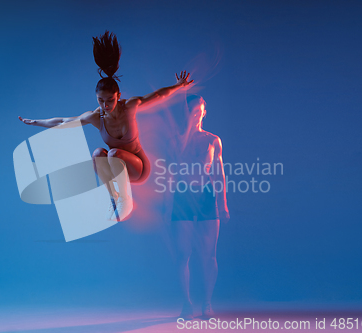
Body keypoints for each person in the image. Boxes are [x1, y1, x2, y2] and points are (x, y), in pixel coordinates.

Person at [18, 31, 193, 221]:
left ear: (118, 96)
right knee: (97, 154)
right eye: (100, 100)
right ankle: (114, 197)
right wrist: (35, 122)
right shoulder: (96, 117)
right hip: (115, 167)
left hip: (138, 168)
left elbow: (158, 96)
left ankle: (127, 201)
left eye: (109, 100)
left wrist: (178, 86)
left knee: (113, 153)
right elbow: (63, 122)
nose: (105, 105)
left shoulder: (130, 107)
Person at [169, 95, 230, 320]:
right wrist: (168, 205)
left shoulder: (213, 140)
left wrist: (222, 203)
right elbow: (169, 175)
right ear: (185, 113)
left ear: (204, 112)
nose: (195, 113)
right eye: (190, 110)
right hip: (183, 196)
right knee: (183, 252)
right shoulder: (175, 140)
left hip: (206, 196)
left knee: (209, 253)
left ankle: (207, 303)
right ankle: (187, 303)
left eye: (198, 109)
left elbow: (219, 173)